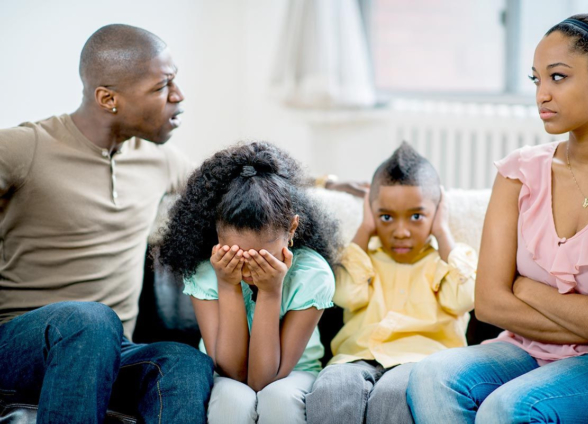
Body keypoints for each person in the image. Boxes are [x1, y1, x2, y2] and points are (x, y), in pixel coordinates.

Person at [406, 13, 588, 424]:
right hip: (524, 347)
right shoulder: (519, 172)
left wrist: (528, 289)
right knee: (431, 375)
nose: (542, 95)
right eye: (536, 80)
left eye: (558, 77)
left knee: (510, 407)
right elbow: (489, 303)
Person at [0, 24, 214, 423]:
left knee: (184, 361)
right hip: (19, 345)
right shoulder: (25, 148)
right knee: (90, 321)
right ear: (108, 99)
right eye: (162, 86)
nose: (178, 96)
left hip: (111, 351)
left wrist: (323, 183)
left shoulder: (158, 159)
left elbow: (227, 182)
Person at [156, 141, 338, 423]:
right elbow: (232, 372)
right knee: (231, 399)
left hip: (295, 373)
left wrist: (270, 292)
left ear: (291, 229)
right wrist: (227, 286)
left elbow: (264, 380)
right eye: (238, 256)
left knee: (279, 399)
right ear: (217, 234)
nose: (251, 268)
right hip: (224, 374)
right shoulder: (206, 272)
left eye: (263, 257)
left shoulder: (312, 275)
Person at [305, 142, 477, 424]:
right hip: (356, 358)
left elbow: (465, 298)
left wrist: (443, 232)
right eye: (386, 217)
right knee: (332, 388)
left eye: (416, 217)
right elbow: (345, 294)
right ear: (371, 212)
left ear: (437, 213)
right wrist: (364, 229)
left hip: (419, 361)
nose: (400, 232)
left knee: (393, 395)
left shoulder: (450, 260)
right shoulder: (363, 258)